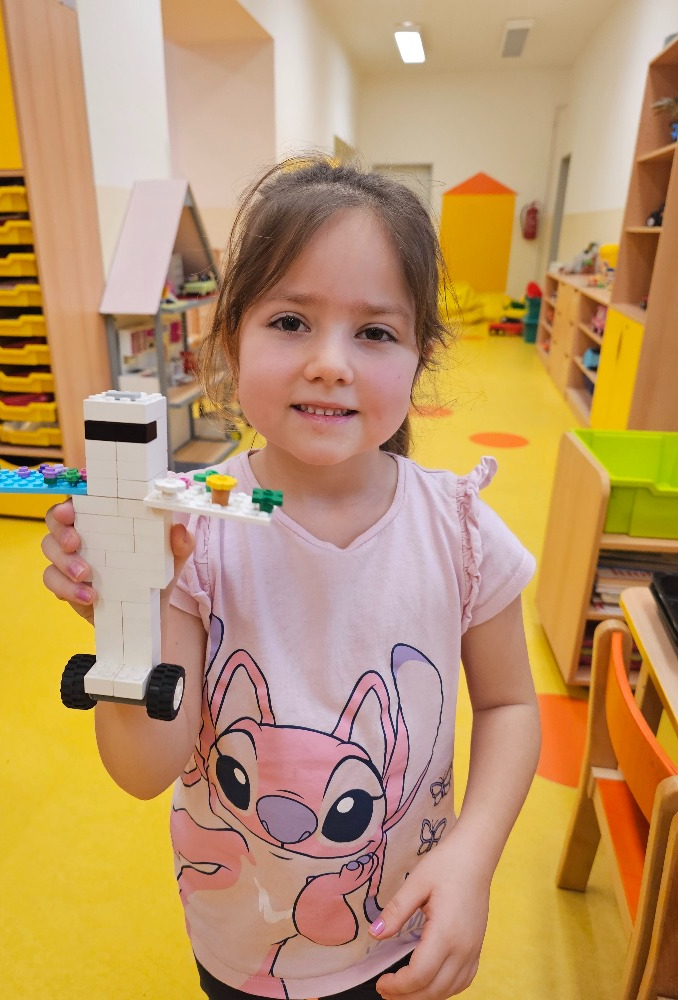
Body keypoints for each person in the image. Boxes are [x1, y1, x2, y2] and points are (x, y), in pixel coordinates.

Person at [41, 158, 541, 1000]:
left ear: (420, 357)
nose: (330, 363)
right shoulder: (190, 534)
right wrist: (129, 604)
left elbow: (509, 705)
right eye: (290, 321)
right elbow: (142, 768)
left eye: (374, 332)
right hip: (242, 946)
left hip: (403, 924)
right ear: (230, 340)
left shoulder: (459, 531)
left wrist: (473, 857)